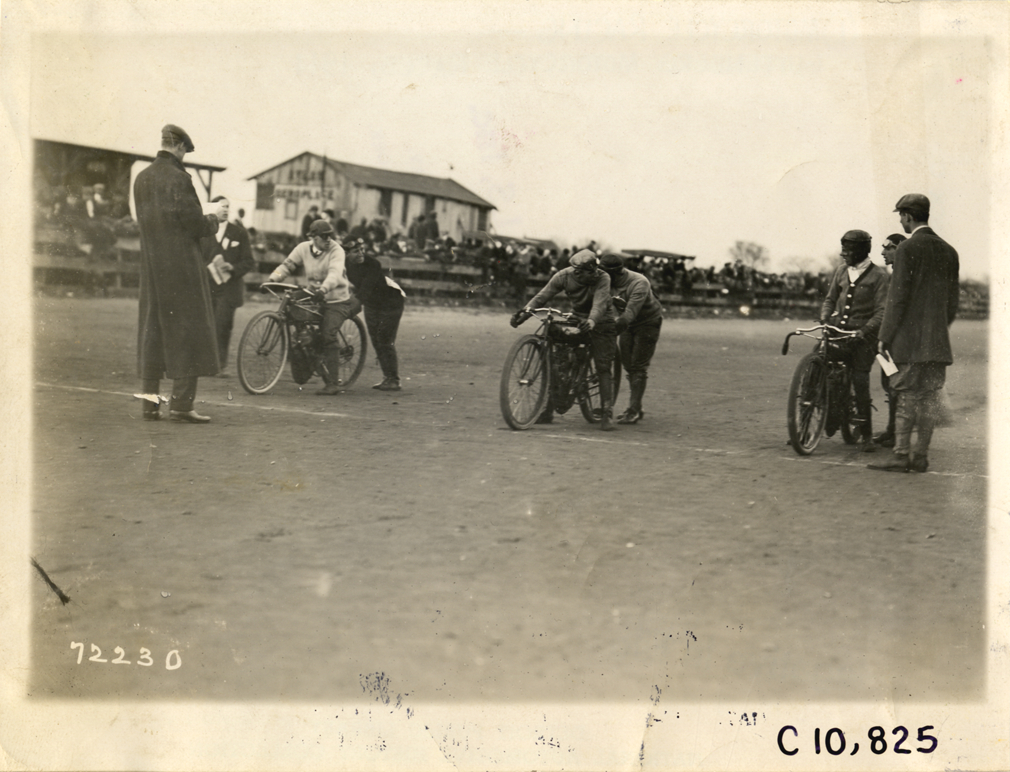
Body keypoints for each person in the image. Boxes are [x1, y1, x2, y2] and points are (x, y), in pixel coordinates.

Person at [134, 124, 222, 423]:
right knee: (188, 334)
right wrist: (214, 219)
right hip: (182, 269)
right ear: (182, 147)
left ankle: (149, 405)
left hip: (152, 269)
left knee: (152, 335)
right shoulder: (180, 179)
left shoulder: (141, 179)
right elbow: (194, 225)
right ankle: (182, 406)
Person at [869, 194, 959, 473]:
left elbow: (897, 299)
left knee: (906, 396)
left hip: (908, 340)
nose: (900, 220)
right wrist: (938, 329)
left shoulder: (908, 249)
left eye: (901, 216)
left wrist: (885, 335)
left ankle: (900, 455)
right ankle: (920, 457)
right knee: (930, 398)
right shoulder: (949, 251)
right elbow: (953, 302)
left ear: (908, 216)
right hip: (938, 342)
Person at [510, 249, 618, 431]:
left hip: (601, 320)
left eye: (588, 271)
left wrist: (591, 322)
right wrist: (524, 313)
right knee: (558, 357)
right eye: (582, 271)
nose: (592, 275)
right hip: (577, 317)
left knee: (603, 365)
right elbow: (543, 296)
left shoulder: (603, 278)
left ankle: (606, 412)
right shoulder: (564, 276)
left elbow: (599, 304)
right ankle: (548, 408)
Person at [267, 219, 361, 394]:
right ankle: (303, 345)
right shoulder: (303, 248)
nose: (328, 239)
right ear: (313, 237)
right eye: (323, 236)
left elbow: (334, 273)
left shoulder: (336, 250)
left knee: (328, 333)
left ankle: (333, 383)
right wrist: (273, 279)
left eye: (330, 236)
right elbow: (288, 265)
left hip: (336, 298)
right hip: (314, 293)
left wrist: (324, 289)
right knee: (291, 302)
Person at [818, 230, 890, 451]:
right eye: (843, 249)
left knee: (860, 379)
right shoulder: (840, 271)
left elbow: (882, 311)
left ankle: (866, 435)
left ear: (861, 251)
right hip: (839, 332)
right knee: (818, 360)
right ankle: (807, 416)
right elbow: (830, 299)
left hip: (864, 338)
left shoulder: (880, 276)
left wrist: (865, 329)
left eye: (847, 250)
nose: (843, 254)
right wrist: (825, 317)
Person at [599, 253, 664, 424]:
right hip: (627, 322)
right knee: (627, 363)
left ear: (617, 273)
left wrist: (610, 332)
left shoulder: (638, 282)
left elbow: (630, 313)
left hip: (647, 321)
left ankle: (633, 410)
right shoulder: (604, 281)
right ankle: (637, 406)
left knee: (638, 366)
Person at [200, 195, 255, 375]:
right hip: (207, 286)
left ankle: (219, 366)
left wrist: (233, 267)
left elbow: (248, 261)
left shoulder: (239, 233)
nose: (225, 209)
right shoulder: (203, 232)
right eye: (221, 206)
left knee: (222, 325)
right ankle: (206, 363)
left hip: (229, 289)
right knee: (206, 325)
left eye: (227, 206)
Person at [345, 241, 406, 391]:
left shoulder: (373, 264)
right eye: (354, 251)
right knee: (375, 339)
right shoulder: (343, 264)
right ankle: (387, 377)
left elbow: (367, 286)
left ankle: (394, 379)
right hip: (372, 304)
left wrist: (354, 302)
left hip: (391, 302)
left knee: (384, 338)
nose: (360, 254)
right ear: (346, 254)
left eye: (361, 249)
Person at [873, 233, 907, 448]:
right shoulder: (893, 275)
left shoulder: (905, 275)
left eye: (889, 247)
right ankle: (892, 431)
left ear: (900, 249)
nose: (884, 252)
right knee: (890, 384)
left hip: (900, 341)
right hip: (892, 339)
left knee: (898, 385)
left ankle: (898, 436)